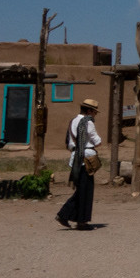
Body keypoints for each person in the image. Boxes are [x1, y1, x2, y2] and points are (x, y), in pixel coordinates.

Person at [57, 98, 101, 230]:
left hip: (75, 158)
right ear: (89, 111)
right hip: (85, 158)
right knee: (85, 190)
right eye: (94, 112)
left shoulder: (73, 121)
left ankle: (71, 216)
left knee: (82, 189)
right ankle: (74, 218)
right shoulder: (88, 123)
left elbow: (68, 142)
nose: (95, 115)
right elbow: (97, 141)